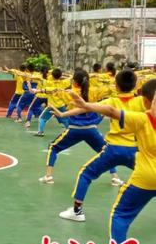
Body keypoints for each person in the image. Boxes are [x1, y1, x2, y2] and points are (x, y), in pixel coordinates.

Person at [65, 79, 156, 244]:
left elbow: (109, 111)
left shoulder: (142, 118)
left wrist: (82, 106)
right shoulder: (139, 103)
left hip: (120, 154)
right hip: (132, 152)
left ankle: (77, 212)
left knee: (119, 212)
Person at [56, 69, 146, 222]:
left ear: (116, 85)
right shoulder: (142, 102)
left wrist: (64, 114)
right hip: (134, 150)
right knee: (151, 175)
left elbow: (86, 107)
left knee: (85, 174)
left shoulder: (111, 101)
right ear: (135, 85)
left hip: (113, 149)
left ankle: (77, 212)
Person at [38, 69, 119, 184]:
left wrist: (39, 90)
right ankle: (115, 177)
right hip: (91, 129)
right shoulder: (95, 91)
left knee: (53, 148)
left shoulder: (69, 93)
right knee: (106, 151)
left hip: (74, 129)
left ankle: (48, 176)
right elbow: (111, 88)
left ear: (74, 82)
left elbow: (54, 90)